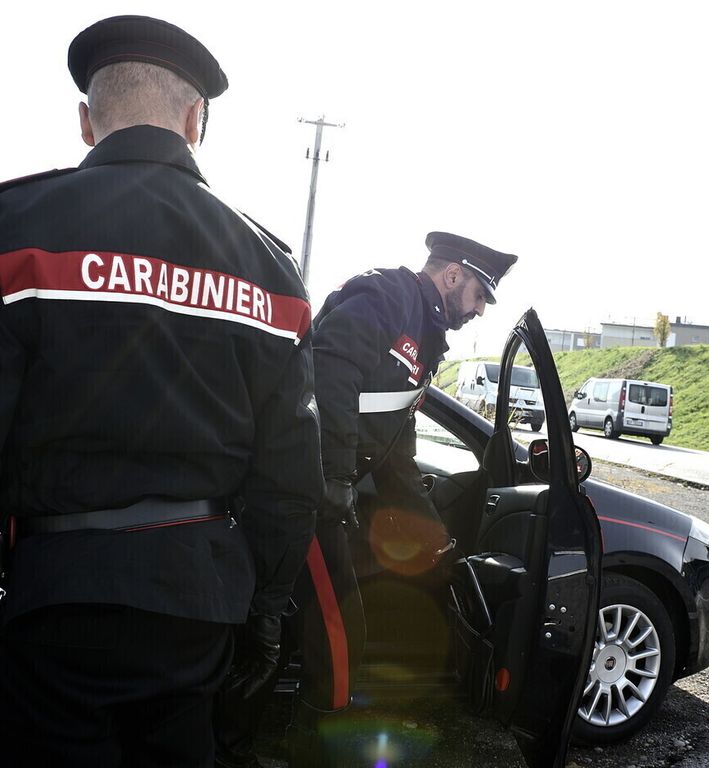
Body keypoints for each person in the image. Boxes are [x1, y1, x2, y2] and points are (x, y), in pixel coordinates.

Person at [0, 15, 322, 768]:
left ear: (87, 122)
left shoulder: (15, 232)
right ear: (194, 120)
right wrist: (266, 614)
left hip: (53, 601)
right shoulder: (267, 268)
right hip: (198, 600)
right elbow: (289, 475)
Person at [286, 232, 517, 767]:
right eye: (480, 294)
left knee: (336, 632)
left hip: (328, 488)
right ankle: (308, 750)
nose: (480, 310)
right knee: (340, 635)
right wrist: (337, 478)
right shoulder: (389, 295)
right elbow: (332, 370)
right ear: (453, 275)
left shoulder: (425, 335)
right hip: (304, 489)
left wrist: (436, 539)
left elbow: (396, 452)